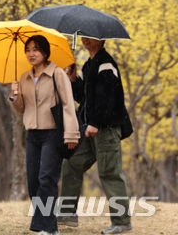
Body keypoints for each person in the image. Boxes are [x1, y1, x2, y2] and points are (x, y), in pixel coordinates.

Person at [57, 37, 132, 234]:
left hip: (105, 129)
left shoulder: (105, 64)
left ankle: (122, 222)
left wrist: (95, 123)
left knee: (109, 172)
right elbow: (86, 98)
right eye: (84, 36)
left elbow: (109, 99)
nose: (86, 40)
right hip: (91, 128)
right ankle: (66, 213)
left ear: (102, 39)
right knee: (72, 162)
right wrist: (74, 80)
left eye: (91, 37)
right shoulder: (90, 64)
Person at [9, 35, 80, 235]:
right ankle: (51, 226)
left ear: (45, 52)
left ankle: (47, 229)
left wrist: (72, 134)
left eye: (36, 49)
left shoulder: (57, 74)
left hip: (53, 133)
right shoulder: (24, 77)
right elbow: (22, 109)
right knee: (33, 182)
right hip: (32, 134)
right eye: (28, 50)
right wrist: (14, 96)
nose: (31, 54)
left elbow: (68, 105)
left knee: (46, 178)